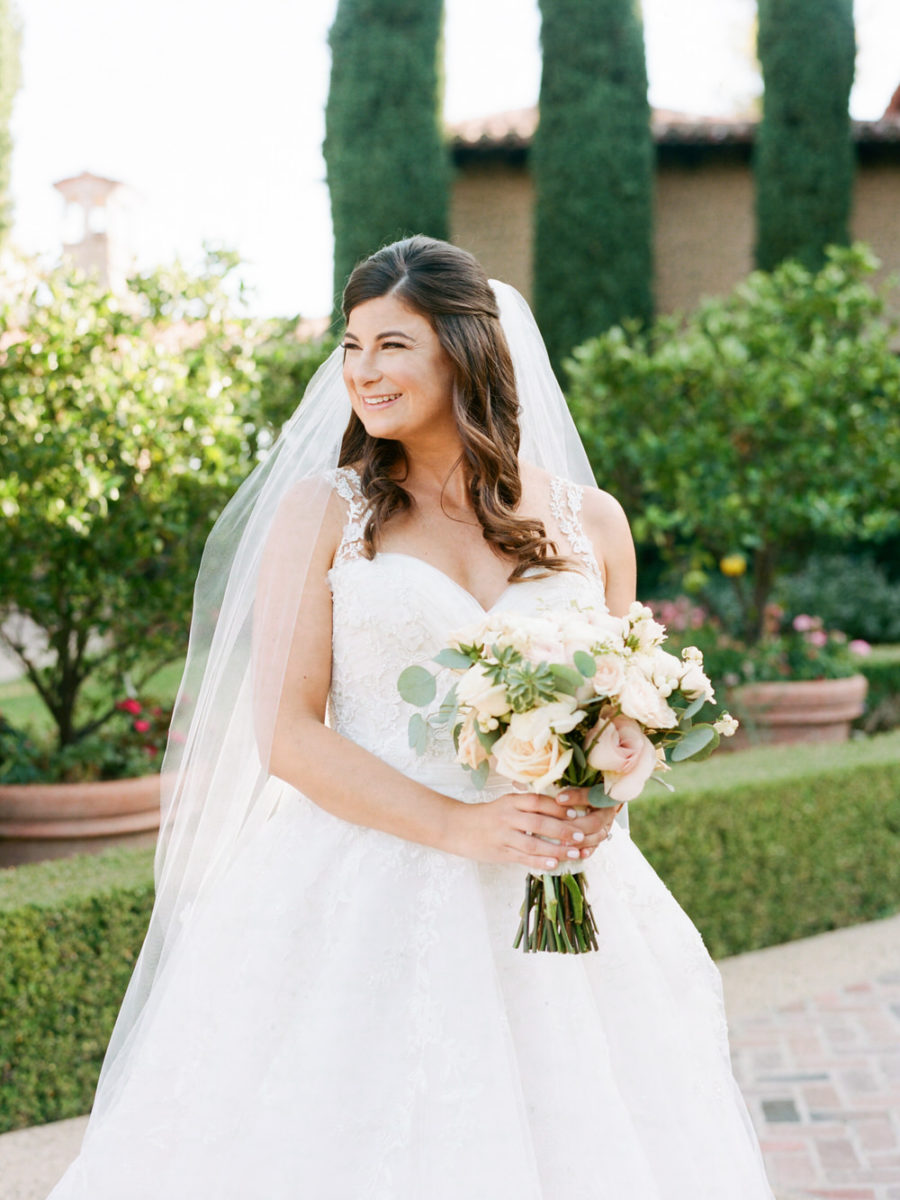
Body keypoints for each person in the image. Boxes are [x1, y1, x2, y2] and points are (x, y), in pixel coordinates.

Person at [49, 236, 774, 1199]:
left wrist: (603, 794)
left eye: (392, 344)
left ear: (465, 350)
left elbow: (616, 708)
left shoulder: (590, 522)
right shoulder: (327, 513)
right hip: (360, 883)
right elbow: (289, 734)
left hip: (550, 890)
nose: (363, 371)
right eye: (352, 346)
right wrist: (457, 826)